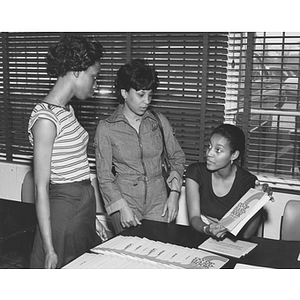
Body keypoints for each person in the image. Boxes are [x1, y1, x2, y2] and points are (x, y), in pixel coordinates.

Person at [28, 35, 108, 269]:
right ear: (76, 71)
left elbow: (77, 168)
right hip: (65, 209)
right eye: (94, 77)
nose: (96, 85)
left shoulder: (66, 111)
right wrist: (49, 248)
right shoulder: (45, 118)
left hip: (82, 205)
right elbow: (40, 187)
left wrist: (92, 218)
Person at [94, 58, 186, 234]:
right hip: (125, 200)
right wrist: (121, 207)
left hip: (159, 200)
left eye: (150, 95)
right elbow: (104, 176)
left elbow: (177, 157)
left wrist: (174, 194)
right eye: (141, 94)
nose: (147, 101)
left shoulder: (158, 121)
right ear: (124, 93)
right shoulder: (106, 128)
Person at [185, 123, 271, 240]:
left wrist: (259, 201)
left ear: (234, 155)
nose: (209, 154)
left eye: (218, 150)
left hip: (233, 242)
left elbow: (247, 234)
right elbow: (194, 217)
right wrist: (207, 229)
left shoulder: (247, 182)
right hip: (202, 234)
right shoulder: (195, 172)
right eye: (209, 146)